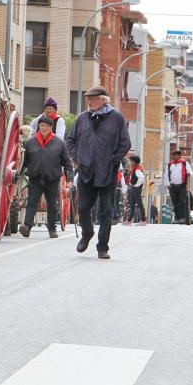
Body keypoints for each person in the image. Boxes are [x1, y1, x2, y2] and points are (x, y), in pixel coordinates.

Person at [65, 86, 131, 259]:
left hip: (107, 171)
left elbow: (125, 143)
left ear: (103, 100)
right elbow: (71, 141)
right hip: (85, 169)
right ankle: (87, 233)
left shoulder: (116, 118)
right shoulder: (82, 118)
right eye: (88, 98)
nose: (89, 101)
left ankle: (103, 247)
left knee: (106, 210)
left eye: (93, 98)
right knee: (84, 206)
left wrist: (114, 160)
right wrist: (76, 158)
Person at [17, 115, 72, 239]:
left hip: (52, 179)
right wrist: (22, 172)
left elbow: (67, 163)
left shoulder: (60, 143)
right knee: (31, 202)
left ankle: (52, 229)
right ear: (39, 127)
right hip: (35, 178)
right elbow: (24, 162)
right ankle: (26, 227)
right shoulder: (30, 142)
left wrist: (70, 179)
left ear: (51, 127)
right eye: (42, 125)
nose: (44, 128)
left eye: (47, 126)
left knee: (52, 204)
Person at [163, 149, 193, 225]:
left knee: (182, 202)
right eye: (173, 155)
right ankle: (177, 218)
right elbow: (166, 175)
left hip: (182, 186)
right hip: (172, 186)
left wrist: (188, 186)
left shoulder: (184, 163)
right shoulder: (170, 164)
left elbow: (189, 173)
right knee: (175, 203)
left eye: (176, 155)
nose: (174, 156)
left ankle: (182, 218)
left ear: (179, 156)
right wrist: (168, 185)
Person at [124, 155, 147, 225]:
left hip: (136, 189)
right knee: (132, 204)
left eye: (130, 161)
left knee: (139, 204)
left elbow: (142, 178)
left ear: (134, 162)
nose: (130, 163)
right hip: (133, 188)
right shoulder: (134, 169)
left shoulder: (137, 169)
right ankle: (129, 220)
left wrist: (136, 185)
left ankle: (143, 220)